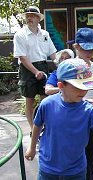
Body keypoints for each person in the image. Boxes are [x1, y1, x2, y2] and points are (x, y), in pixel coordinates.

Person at [47, 28, 93, 180]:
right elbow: (55, 90)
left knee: (89, 157)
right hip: (70, 116)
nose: (90, 52)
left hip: (90, 115)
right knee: (70, 157)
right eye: (87, 48)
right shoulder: (67, 68)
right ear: (76, 47)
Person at [13, 6, 57, 134]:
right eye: (27, 16)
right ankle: (33, 129)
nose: (29, 18)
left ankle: (45, 126)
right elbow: (23, 57)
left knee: (45, 98)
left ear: (38, 18)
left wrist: (61, 64)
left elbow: (53, 53)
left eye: (32, 15)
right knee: (30, 99)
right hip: (27, 68)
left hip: (43, 65)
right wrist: (35, 72)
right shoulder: (20, 35)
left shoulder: (45, 34)